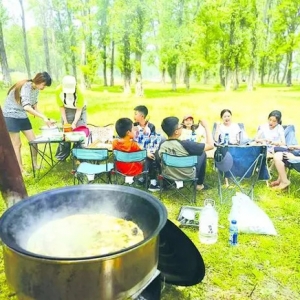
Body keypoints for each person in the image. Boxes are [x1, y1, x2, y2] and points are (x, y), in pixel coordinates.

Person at [2, 72, 53, 174]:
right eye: (44, 84)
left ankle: (35, 164)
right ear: (39, 80)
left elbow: (35, 107)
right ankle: (20, 169)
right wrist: (43, 117)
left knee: (33, 141)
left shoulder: (36, 90)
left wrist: (46, 118)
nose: (44, 87)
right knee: (17, 144)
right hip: (10, 115)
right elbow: (27, 107)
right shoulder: (26, 87)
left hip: (22, 115)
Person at [159, 116, 214, 191]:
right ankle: (199, 185)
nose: (182, 126)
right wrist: (206, 126)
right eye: (180, 126)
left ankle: (169, 184)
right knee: (202, 153)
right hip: (187, 174)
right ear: (176, 132)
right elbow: (211, 145)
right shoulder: (186, 144)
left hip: (168, 174)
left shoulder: (163, 146)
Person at [112, 118, 160, 191]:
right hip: (134, 170)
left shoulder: (114, 142)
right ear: (128, 132)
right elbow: (142, 152)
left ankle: (144, 179)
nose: (135, 130)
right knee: (150, 158)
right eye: (133, 129)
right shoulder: (133, 145)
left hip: (120, 169)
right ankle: (152, 182)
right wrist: (147, 153)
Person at [55, 75, 87, 160]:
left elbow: (79, 109)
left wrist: (74, 122)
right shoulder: (58, 90)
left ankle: (79, 156)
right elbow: (61, 107)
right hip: (66, 109)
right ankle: (62, 156)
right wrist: (65, 121)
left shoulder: (80, 91)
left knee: (80, 132)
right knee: (66, 133)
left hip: (79, 109)